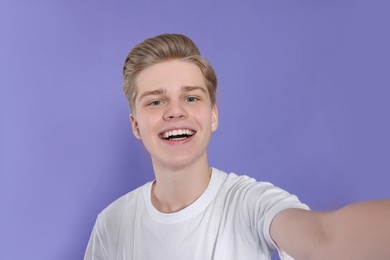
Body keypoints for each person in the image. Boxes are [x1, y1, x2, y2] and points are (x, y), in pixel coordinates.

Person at [85, 34, 390, 260]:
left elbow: (325, 238)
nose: (174, 111)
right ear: (136, 125)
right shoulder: (113, 223)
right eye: (155, 101)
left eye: (191, 98)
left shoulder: (251, 203)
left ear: (213, 115)